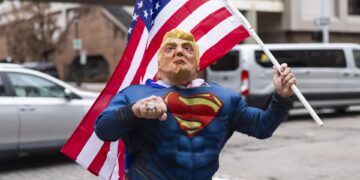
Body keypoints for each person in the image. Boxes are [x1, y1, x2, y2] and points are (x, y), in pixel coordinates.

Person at [95, 28, 296, 179]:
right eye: (170, 48)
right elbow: (103, 129)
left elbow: (262, 127)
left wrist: (281, 97)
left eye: (188, 49)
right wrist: (134, 111)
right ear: (159, 61)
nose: (179, 52)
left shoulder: (226, 98)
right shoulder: (135, 94)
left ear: (198, 62)